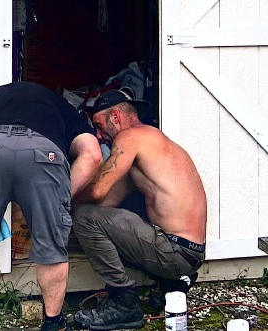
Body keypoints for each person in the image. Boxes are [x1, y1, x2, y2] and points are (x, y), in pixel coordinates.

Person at [0, 81, 102, 331]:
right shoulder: (60, 104)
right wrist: (60, 197)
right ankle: (54, 324)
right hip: (43, 152)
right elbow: (93, 154)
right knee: (51, 244)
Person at [72, 89, 208, 331]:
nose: (98, 136)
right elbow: (106, 202)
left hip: (175, 251)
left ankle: (123, 303)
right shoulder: (152, 142)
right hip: (189, 253)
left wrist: (67, 200)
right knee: (93, 219)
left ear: (115, 116)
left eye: (99, 126)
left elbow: (96, 192)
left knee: (84, 218)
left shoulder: (130, 137)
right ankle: (172, 283)